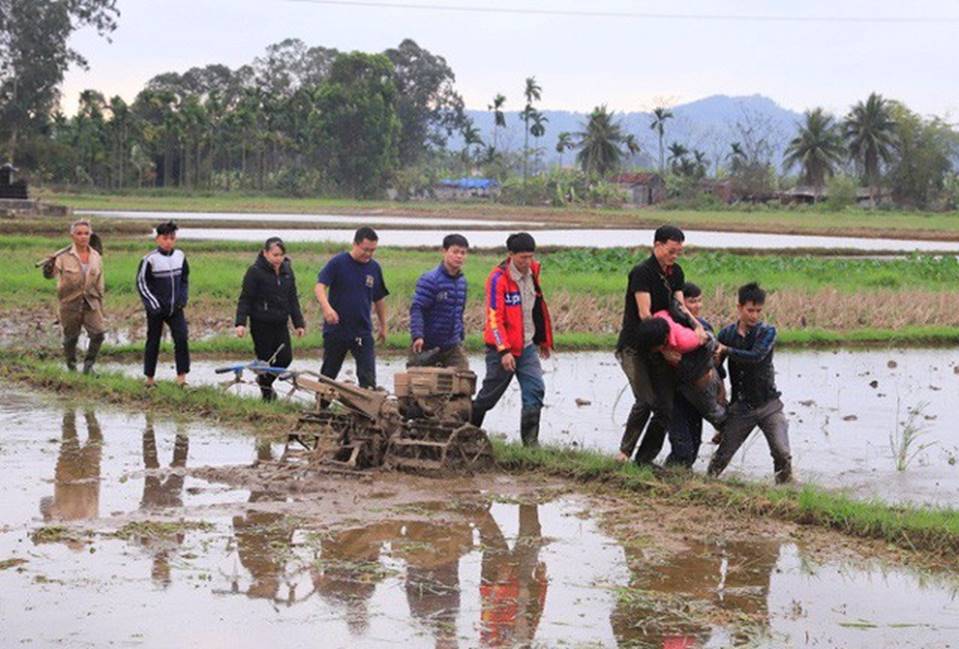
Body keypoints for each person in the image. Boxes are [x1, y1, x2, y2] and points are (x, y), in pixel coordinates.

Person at [616, 225, 705, 465]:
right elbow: (646, 315)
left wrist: (697, 327)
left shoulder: (676, 273)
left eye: (678, 252)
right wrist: (666, 348)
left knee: (665, 407)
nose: (674, 256)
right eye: (671, 251)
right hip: (636, 345)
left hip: (663, 345)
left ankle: (644, 460)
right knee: (645, 400)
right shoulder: (642, 272)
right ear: (657, 245)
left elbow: (679, 307)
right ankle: (624, 453)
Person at [471, 232, 553, 447]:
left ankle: (530, 445)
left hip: (526, 346)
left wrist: (542, 340)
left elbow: (536, 309)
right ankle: (468, 434)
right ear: (510, 255)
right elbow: (494, 317)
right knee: (489, 397)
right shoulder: (498, 279)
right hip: (502, 349)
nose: (527, 262)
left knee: (535, 389)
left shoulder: (533, 272)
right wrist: (504, 350)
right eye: (522, 258)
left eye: (530, 257)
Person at [708, 282, 793, 484]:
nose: (754, 316)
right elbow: (719, 372)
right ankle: (707, 485)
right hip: (741, 406)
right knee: (721, 457)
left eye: (758, 311)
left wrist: (726, 351)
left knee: (782, 452)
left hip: (769, 404)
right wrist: (717, 361)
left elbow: (756, 357)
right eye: (750, 310)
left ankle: (786, 490)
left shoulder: (767, 332)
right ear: (739, 308)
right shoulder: (727, 334)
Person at [314, 227, 388, 389]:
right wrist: (327, 309)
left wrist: (383, 326)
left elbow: (379, 299)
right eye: (365, 249)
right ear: (355, 244)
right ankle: (322, 406)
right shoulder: (338, 262)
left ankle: (367, 411)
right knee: (329, 372)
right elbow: (320, 287)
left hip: (362, 330)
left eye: (373, 250)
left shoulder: (374, 268)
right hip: (337, 329)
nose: (368, 254)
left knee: (367, 375)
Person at [235, 237, 306, 400]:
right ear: (265, 253)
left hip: (281, 322)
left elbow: (292, 298)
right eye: (275, 255)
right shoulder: (255, 272)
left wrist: (298, 323)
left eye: (281, 255)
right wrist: (240, 323)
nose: (278, 259)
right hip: (261, 323)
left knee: (285, 358)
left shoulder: (287, 271)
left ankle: (264, 381)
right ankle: (267, 397)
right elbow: (245, 298)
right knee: (265, 361)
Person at [664, 282, 726, 468]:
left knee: (694, 445)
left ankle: (679, 480)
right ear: (680, 303)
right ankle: (671, 479)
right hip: (675, 394)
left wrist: (721, 390)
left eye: (699, 301)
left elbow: (715, 364)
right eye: (692, 301)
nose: (697, 306)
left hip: (698, 395)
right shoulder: (671, 327)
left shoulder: (705, 327)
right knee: (682, 445)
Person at [42, 219, 106, 374]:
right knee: (71, 337)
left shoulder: (96, 256)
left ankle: (88, 366)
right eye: (79, 234)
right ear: (72, 236)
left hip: (91, 301)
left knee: (98, 334)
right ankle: (71, 366)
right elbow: (49, 275)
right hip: (69, 302)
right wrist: (49, 265)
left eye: (86, 233)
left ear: (90, 235)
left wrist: (100, 303)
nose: (83, 237)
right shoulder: (63, 257)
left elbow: (99, 281)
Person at [137, 220, 190, 387]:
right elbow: (141, 284)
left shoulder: (180, 256)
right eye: (165, 238)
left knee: (181, 339)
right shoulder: (149, 259)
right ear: (158, 239)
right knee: (153, 341)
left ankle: (181, 378)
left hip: (176, 308)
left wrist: (182, 299)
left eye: (172, 238)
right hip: (156, 310)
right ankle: (150, 379)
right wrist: (153, 305)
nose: (168, 241)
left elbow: (184, 279)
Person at [408, 233, 470, 371]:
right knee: (420, 387)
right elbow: (417, 308)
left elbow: (459, 312)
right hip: (427, 344)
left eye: (463, 253)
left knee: (464, 383)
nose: (459, 256)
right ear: (444, 252)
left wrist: (460, 335)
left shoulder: (462, 282)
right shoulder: (430, 279)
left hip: (452, 346)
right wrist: (417, 336)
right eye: (455, 252)